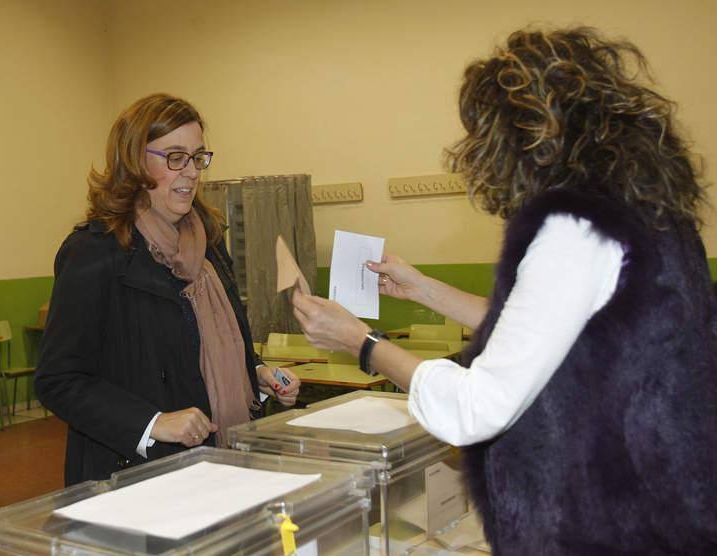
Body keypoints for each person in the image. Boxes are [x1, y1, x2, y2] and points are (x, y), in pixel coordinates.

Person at [292, 28, 717, 554]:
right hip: (665, 499)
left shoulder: (574, 227)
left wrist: (363, 344)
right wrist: (424, 290)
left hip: (604, 520)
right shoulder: (648, 213)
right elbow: (550, 330)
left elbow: (478, 406)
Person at [35, 93, 300, 486]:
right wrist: (152, 423)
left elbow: (200, 346)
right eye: (175, 157)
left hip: (219, 464)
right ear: (134, 162)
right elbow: (59, 380)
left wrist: (254, 371)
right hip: (136, 477)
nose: (191, 172)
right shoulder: (96, 252)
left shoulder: (208, 242)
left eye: (197, 158)